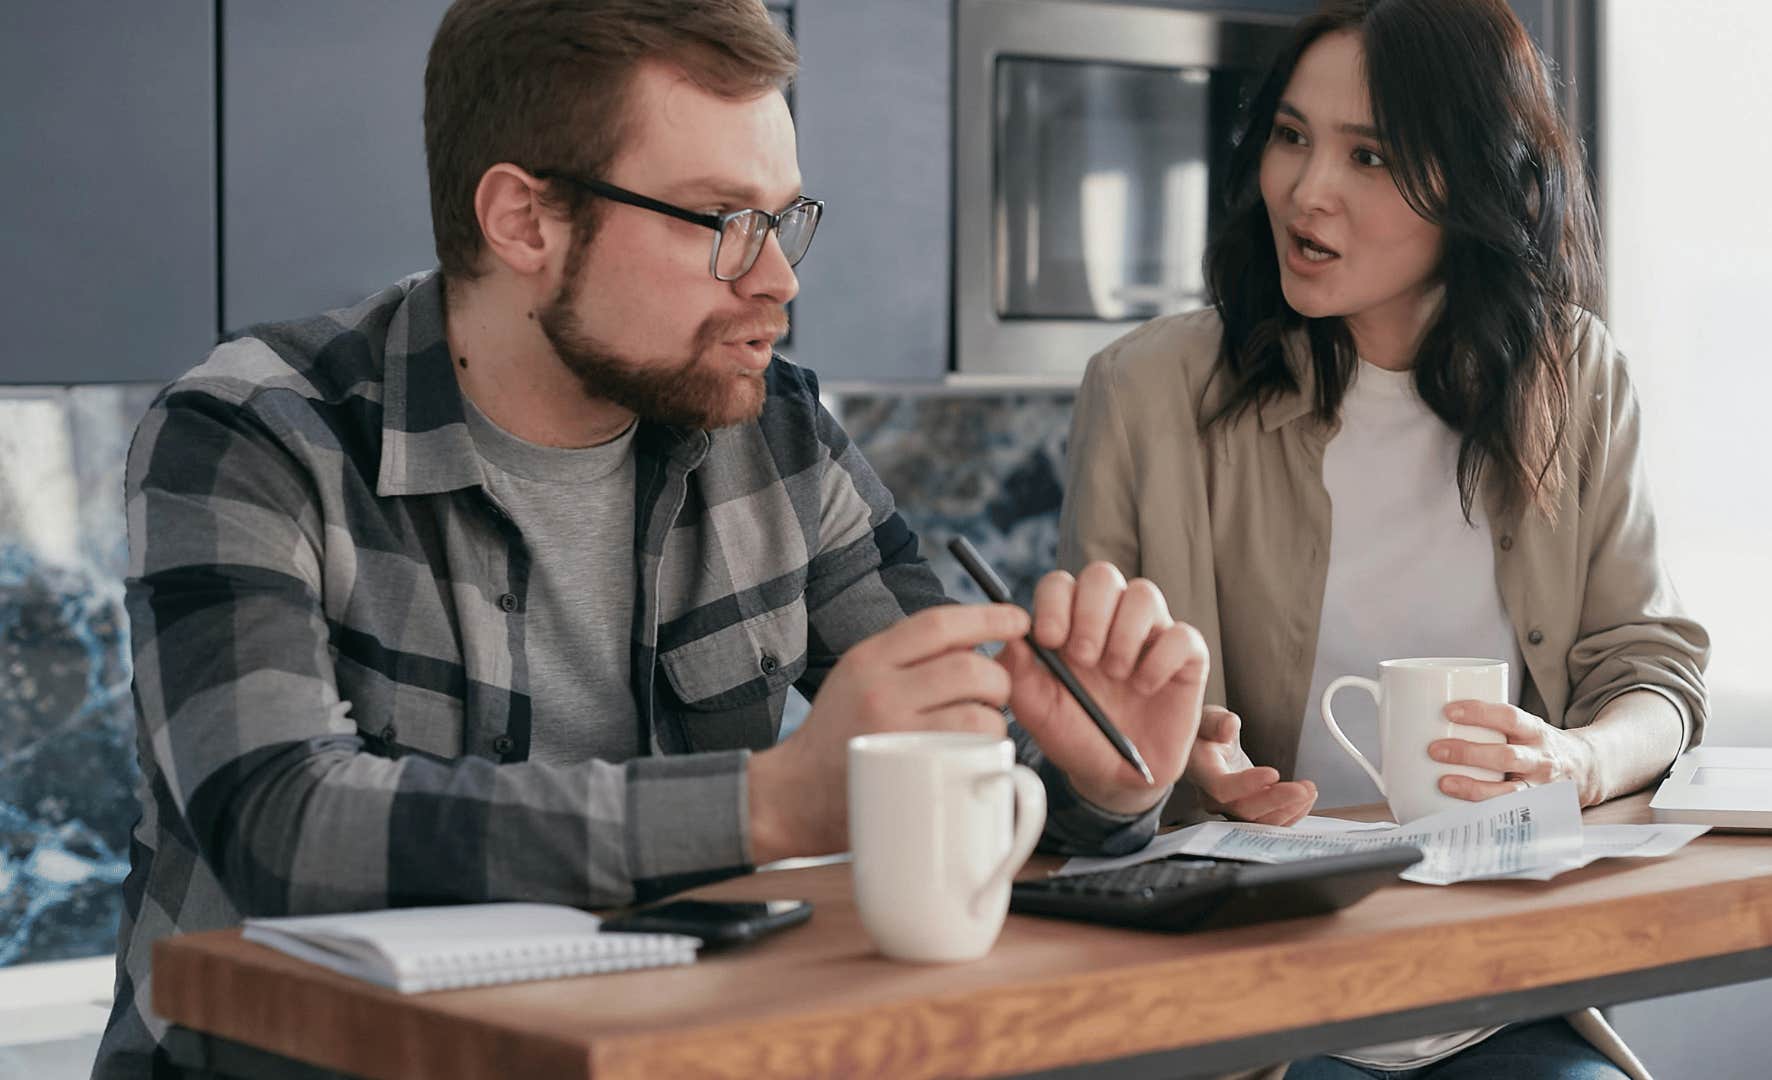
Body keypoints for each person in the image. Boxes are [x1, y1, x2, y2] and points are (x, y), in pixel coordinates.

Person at [94, 2, 1209, 1075]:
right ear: (525, 220)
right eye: (725, 222)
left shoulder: (778, 435)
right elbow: (280, 824)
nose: (778, 279)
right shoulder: (254, 431)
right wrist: (769, 803)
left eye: (782, 220)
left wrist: (1097, 772)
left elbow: (976, 790)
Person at [1057, 1, 1709, 1077]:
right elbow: (1085, 779)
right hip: (1256, 1004)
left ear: (1478, 182)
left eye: (1371, 155)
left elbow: (1653, 672)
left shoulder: (1578, 375)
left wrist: (1578, 759)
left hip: (1498, 993)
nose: (1307, 191)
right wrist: (1164, 774)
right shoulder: (1143, 394)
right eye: (1291, 136)